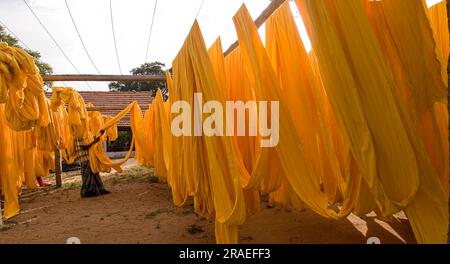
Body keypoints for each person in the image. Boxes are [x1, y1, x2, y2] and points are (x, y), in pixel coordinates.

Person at [74, 130, 111, 198]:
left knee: (95, 174)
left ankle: (100, 189)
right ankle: (88, 192)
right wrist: (95, 141)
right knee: (88, 176)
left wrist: (100, 134)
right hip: (84, 159)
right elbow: (85, 147)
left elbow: (92, 139)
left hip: (90, 158)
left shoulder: (85, 135)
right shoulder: (77, 136)